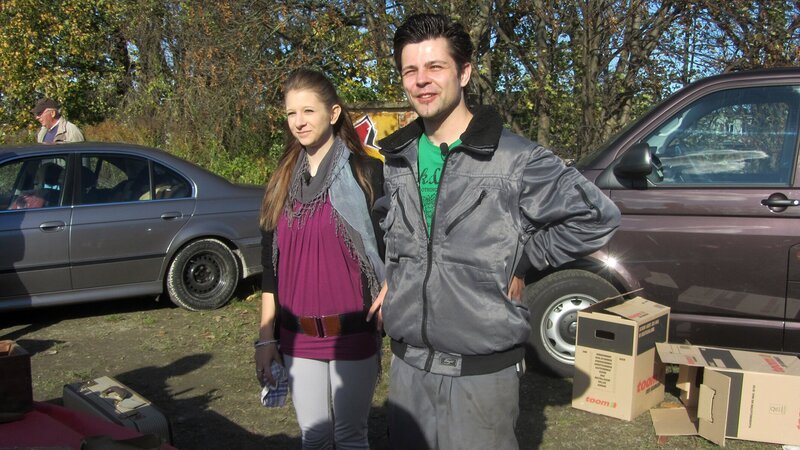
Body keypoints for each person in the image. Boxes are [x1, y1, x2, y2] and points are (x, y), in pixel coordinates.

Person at [366, 13, 622, 449]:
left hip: (480, 376)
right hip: (409, 370)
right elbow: (398, 224)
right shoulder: (397, 157)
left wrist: (524, 256)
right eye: (410, 70)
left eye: (435, 67)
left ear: (464, 72)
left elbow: (597, 217)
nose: (421, 81)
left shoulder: (514, 159)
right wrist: (398, 273)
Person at [255, 69, 385, 449]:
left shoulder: (367, 173)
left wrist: (392, 284)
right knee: (314, 438)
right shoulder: (280, 180)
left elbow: (397, 246)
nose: (299, 122)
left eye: (308, 111)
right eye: (291, 113)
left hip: (352, 332)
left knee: (349, 437)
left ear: (333, 113)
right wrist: (266, 340)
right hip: (298, 335)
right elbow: (269, 269)